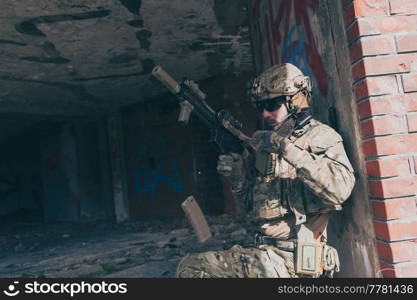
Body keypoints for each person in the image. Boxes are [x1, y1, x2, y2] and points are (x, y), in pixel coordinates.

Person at [176, 63, 355, 278]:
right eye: (260, 107)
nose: (265, 113)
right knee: (193, 265)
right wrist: (238, 179)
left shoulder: (320, 137)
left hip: (294, 260)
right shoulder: (265, 146)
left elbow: (341, 189)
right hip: (264, 251)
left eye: (272, 105)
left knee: (195, 268)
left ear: (295, 101)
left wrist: (286, 149)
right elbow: (248, 211)